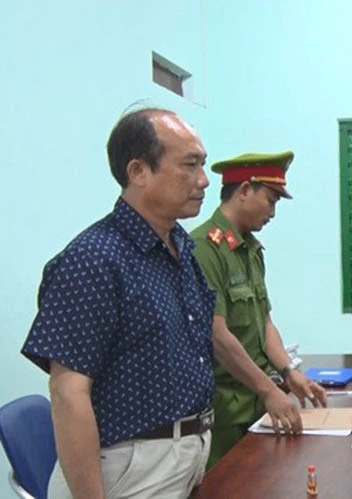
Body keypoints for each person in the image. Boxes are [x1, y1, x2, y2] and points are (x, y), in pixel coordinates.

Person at [21, 108, 216, 498]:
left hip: (186, 454)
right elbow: (68, 393)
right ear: (138, 171)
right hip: (130, 468)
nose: (203, 180)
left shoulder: (180, 247)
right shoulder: (93, 260)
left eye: (203, 165)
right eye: (189, 165)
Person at [191, 152, 327, 468]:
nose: (273, 213)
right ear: (244, 190)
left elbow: (264, 323)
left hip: (258, 404)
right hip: (225, 412)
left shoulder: (251, 250)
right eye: (271, 200)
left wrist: (289, 373)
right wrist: (268, 390)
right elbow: (217, 336)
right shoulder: (204, 249)